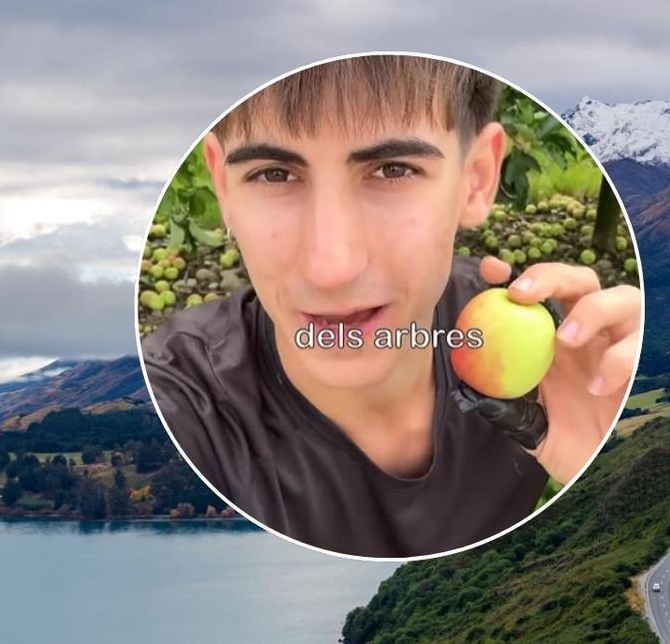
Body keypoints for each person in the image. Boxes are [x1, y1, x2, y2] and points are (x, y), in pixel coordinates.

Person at [140, 54, 642, 558]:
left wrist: (603, 460)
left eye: (393, 170)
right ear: (223, 189)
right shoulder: (176, 409)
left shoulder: (558, 367)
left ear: (475, 180)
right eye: (274, 174)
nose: (331, 267)